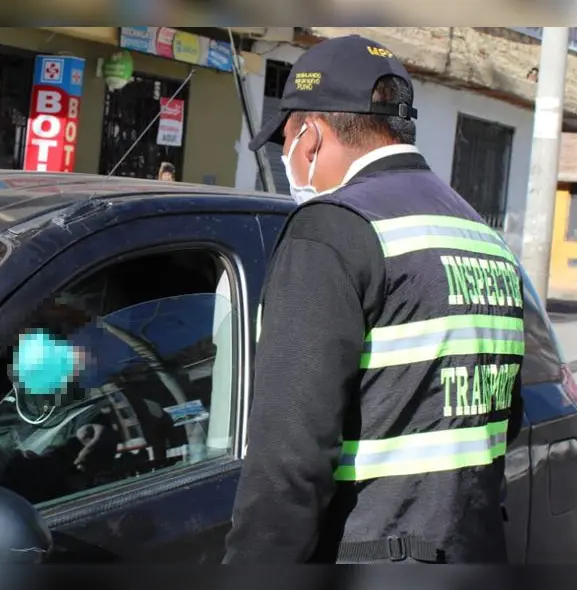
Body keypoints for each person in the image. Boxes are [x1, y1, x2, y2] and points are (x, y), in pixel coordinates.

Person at [223, 34, 525, 564]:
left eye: (287, 142)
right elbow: (504, 413)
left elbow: (290, 457)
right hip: (474, 548)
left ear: (310, 137)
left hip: (371, 552)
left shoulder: (332, 230)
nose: (289, 162)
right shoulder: (481, 234)